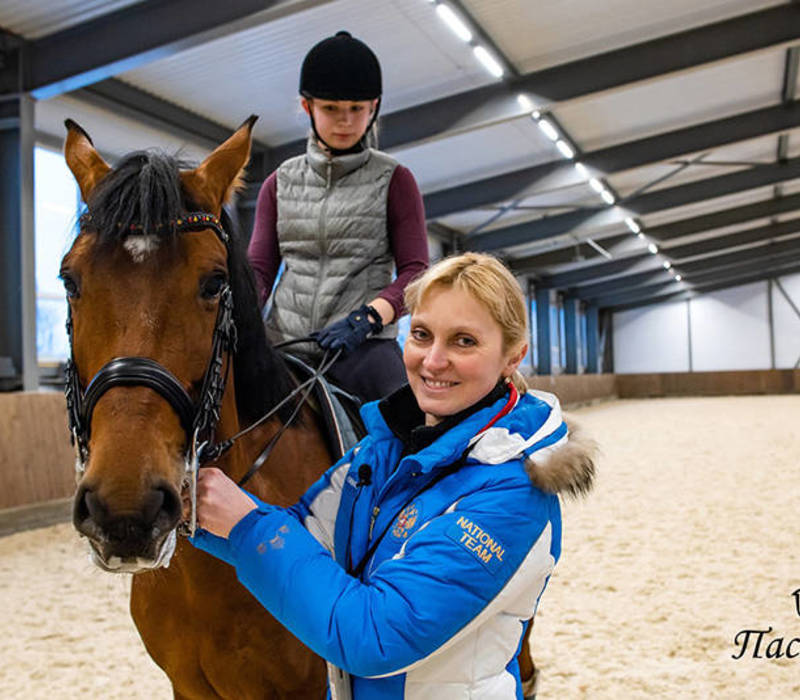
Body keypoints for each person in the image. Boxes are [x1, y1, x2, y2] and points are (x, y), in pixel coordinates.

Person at [190, 252, 596, 699]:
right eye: (422, 335)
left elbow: (375, 636)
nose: (433, 361)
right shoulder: (379, 449)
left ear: (512, 357)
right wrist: (186, 509)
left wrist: (248, 525)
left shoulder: (514, 493)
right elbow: (304, 534)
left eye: (463, 342)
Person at [248, 30, 429, 402]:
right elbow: (259, 270)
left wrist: (369, 318)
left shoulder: (395, 180)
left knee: (412, 420)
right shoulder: (277, 183)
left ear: (373, 107)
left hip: (362, 348)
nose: (345, 121)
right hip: (285, 342)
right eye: (331, 108)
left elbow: (416, 272)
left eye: (356, 109)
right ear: (307, 107)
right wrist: (242, 317)